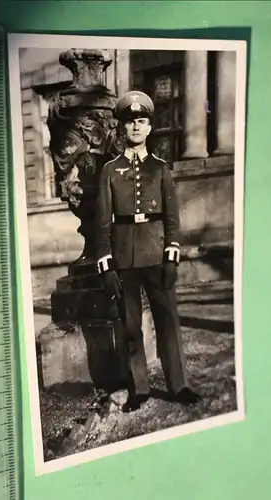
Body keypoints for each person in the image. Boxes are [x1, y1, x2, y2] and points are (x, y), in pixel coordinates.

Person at [96, 90, 200, 412]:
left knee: (167, 320)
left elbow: (172, 219)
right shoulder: (110, 171)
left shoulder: (160, 168)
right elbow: (102, 223)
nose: (136, 128)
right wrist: (107, 267)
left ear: (150, 127)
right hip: (125, 260)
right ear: (122, 129)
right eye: (130, 122)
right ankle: (139, 388)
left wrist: (172, 256)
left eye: (141, 121)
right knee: (130, 326)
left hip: (156, 257)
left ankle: (179, 384)